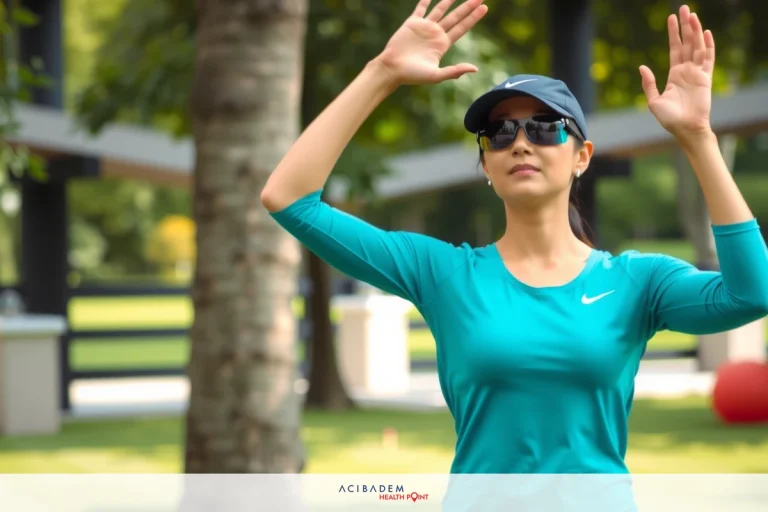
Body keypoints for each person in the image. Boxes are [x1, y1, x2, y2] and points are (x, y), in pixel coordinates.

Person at [261, 0, 768, 502]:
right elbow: (289, 201)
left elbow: (753, 292)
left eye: (545, 128)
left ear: (581, 157)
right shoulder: (443, 274)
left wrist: (698, 137)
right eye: (500, 133)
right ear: (485, 164)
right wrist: (382, 73)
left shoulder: (637, 282)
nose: (521, 143)